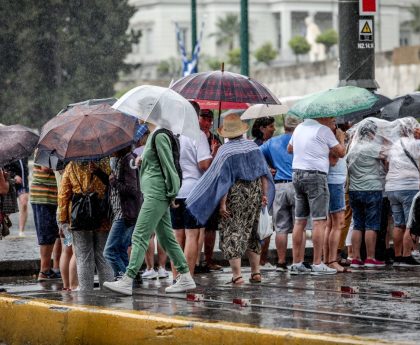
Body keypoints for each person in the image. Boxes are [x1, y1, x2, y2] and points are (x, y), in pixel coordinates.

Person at [104, 124, 196, 295]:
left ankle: (127, 278)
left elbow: (168, 166)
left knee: (139, 235)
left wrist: (172, 192)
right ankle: (185, 276)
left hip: (156, 193)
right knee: (166, 237)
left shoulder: (159, 135)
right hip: (156, 192)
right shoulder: (158, 135)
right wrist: (142, 161)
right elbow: (159, 164)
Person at [187, 114, 275, 285]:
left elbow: (224, 181)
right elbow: (264, 173)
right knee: (252, 232)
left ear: (226, 133)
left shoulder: (225, 151)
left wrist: (222, 204)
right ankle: (256, 272)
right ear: (242, 131)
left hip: (235, 196)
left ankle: (237, 275)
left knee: (233, 232)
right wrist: (264, 195)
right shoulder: (253, 147)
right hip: (255, 193)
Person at [288, 117, 345, 275]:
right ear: (322, 117)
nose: (333, 122)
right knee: (320, 221)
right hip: (316, 176)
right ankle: (317, 264)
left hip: (297, 174)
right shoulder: (324, 130)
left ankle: (296, 263)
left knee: (300, 221)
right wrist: (339, 139)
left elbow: (289, 149)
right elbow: (341, 152)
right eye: (331, 119)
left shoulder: (299, 127)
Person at [57, 159, 114, 291]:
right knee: (103, 256)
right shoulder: (105, 163)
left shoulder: (72, 166)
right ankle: (108, 293)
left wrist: (62, 220)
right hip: (102, 216)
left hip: (79, 217)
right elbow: (112, 186)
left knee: (83, 257)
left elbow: (63, 195)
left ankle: (86, 293)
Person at [260, 115, 301, 271]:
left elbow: (257, 154)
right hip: (297, 184)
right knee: (299, 224)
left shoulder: (272, 142)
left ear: (284, 127)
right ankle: (298, 261)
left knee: (280, 227)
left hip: (278, 187)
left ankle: (281, 262)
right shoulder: (300, 141)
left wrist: (268, 168)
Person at [171, 127, 212, 278]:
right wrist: (212, 156)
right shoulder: (197, 134)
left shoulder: (169, 133)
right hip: (193, 191)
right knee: (191, 235)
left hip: (175, 190)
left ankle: (176, 277)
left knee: (177, 236)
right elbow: (204, 165)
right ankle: (187, 278)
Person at [347, 119, 386, 268]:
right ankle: (370, 258)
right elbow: (387, 157)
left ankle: (356, 258)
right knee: (371, 225)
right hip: (372, 188)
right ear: (370, 132)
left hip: (355, 190)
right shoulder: (373, 147)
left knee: (357, 224)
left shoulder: (352, 148)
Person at [385, 117, 420, 266]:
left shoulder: (394, 145)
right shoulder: (416, 144)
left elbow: (387, 163)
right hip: (409, 186)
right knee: (410, 224)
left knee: (398, 224)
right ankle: (407, 256)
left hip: (392, 188)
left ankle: (398, 256)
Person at [104, 146, 142, 278]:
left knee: (109, 252)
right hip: (121, 212)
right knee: (120, 250)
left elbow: (132, 189)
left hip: (124, 213)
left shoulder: (128, 160)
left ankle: (124, 279)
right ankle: (131, 281)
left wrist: (114, 182)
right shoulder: (121, 160)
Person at [197, 109, 222, 272]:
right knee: (197, 227)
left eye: (210, 120)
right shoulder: (195, 138)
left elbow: (219, 164)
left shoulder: (215, 139)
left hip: (211, 187)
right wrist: (213, 154)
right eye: (204, 119)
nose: (207, 123)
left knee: (211, 226)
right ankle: (196, 260)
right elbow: (204, 165)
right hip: (197, 186)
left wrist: (217, 153)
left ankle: (208, 259)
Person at [252, 116, 277, 270]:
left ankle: (262, 259)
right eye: (270, 126)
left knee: (267, 224)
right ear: (262, 129)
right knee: (263, 224)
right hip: (262, 189)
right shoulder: (256, 146)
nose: (273, 129)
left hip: (268, 188)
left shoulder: (271, 144)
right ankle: (260, 260)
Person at [323, 119, 348, 273]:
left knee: (330, 223)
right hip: (334, 183)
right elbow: (333, 160)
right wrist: (340, 139)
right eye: (332, 122)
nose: (335, 125)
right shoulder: (332, 141)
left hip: (334, 182)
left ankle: (327, 259)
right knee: (338, 222)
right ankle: (332, 260)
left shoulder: (326, 139)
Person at [30, 163, 61, 281]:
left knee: (58, 233)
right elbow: (46, 167)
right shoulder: (45, 146)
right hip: (43, 196)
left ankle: (56, 268)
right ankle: (44, 271)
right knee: (46, 234)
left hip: (55, 195)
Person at [5, 159, 29, 237]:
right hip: (11, 182)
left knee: (24, 203)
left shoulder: (23, 151)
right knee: (8, 209)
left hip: (22, 184)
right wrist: (14, 175)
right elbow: (3, 168)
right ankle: (3, 227)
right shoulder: (7, 151)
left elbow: (24, 166)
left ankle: (21, 231)